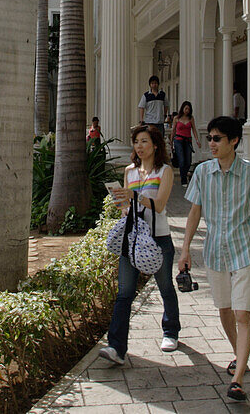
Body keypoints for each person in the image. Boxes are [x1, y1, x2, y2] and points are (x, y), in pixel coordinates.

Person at [179, 116, 250, 402]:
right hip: (214, 252)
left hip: (245, 251)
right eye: (209, 138)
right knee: (224, 310)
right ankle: (240, 356)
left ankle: (237, 380)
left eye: (217, 138)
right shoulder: (202, 172)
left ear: (233, 141)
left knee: (241, 313)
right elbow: (195, 212)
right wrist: (185, 250)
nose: (211, 143)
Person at [99, 124, 180, 365]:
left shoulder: (164, 171)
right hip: (132, 236)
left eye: (144, 141)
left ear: (155, 145)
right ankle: (116, 347)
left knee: (165, 286)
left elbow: (160, 205)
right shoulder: (129, 171)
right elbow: (127, 205)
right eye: (136, 142)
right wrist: (122, 204)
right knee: (124, 292)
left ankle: (171, 330)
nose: (139, 147)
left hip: (158, 237)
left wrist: (135, 196)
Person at [171, 101, 196, 186]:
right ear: (182, 108)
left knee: (188, 161)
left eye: (188, 109)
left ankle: (185, 174)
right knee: (181, 160)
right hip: (178, 140)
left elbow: (194, 129)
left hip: (188, 140)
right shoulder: (176, 118)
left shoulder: (191, 118)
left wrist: (197, 140)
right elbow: (173, 130)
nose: (187, 110)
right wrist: (171, 141)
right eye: (185, 108)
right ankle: (183, 179)